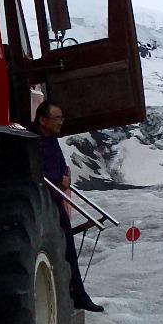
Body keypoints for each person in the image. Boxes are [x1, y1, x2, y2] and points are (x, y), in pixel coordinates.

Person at [33, 100, 105, 313]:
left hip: (53, 198)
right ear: (43, 120)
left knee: (68, 248)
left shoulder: (51, 139)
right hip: (42, 199)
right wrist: (59, 179)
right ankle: (74, 294)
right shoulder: (32, 140)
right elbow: (34, 170)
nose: (61, 122)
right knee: (65, 247)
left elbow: (59, 161)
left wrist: (65, 174)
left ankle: (78, 294)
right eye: (57, 118)